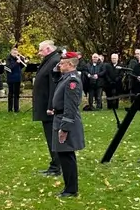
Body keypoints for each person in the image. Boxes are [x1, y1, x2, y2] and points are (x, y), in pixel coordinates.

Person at [48, 51, 86, 197]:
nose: (59, 65)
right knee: (64, 154)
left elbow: (71, 107)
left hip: (65, 120)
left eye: (62, 63)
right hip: (59, 117)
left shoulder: (72, 81)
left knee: (66, 156)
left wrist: (64, 128)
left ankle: (71, 189)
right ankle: (69, 186)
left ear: (70, 64)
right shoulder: (65, 77)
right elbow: (54, 78)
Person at [29, 40, 63, 176]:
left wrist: (51, 106)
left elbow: (54, 86)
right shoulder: (50, 60)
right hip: (44, 105)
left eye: (40, 50)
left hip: (49, 108)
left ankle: (56, 166)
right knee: (50, 137)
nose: (39, 53)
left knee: (53, 137)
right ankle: (55, 164)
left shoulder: (54, 61)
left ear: (48, 49)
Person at [5, 48, 26, 112]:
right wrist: (16, 63)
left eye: (16, 53)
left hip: (18, 78)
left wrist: (22, 60)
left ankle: (16, 109)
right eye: (14, 53)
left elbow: (22, 66)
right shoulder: (8, 59)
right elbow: (8, 68)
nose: (15, 54)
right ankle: (10, 109)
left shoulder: (18, 58)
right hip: (11, 78)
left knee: (17, 94)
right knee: (11, 94)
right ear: (11, 53)